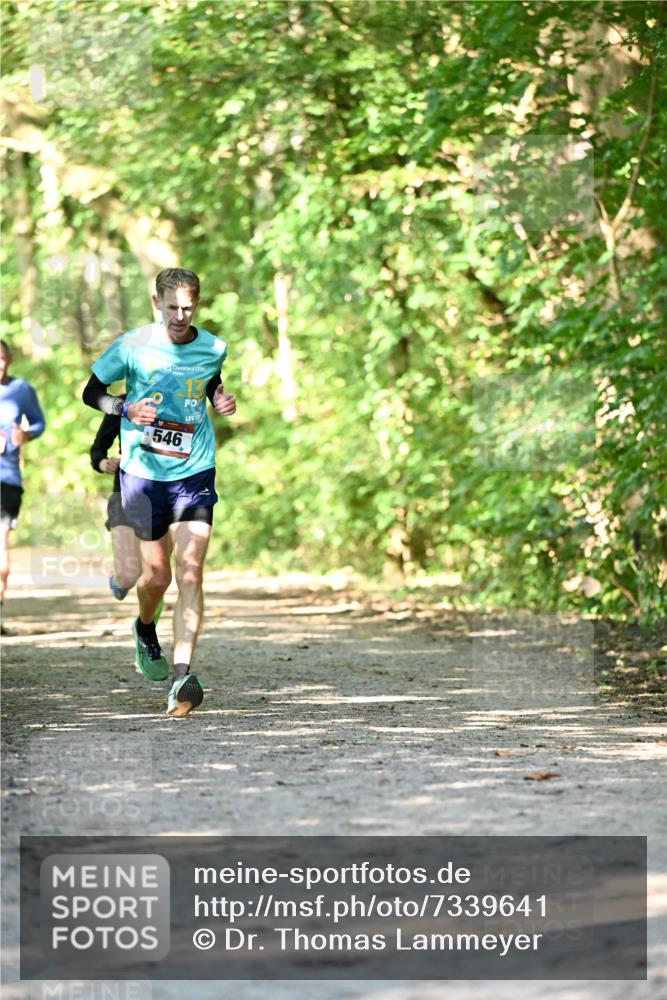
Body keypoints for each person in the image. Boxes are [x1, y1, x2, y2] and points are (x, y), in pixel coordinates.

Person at [82, 268, 236, 717]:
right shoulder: (133, 346)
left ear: (197, 305)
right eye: (172, 307)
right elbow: (91, 392)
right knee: (156, 577)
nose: (180, 316)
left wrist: (219, 398)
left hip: (195, 471)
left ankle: (181, 676)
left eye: (188, 308)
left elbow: (210, 382)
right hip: (143, 475)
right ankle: (145, 627)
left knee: (190, 571)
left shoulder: (213, 347)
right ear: (156, 303)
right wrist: (124, 408)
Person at [0, 339, 46, 635]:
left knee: (1, 546)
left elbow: (39, 423)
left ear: (10, 358)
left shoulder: (21, 389)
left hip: (7, 478)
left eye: (1, 358)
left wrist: (25, 435)